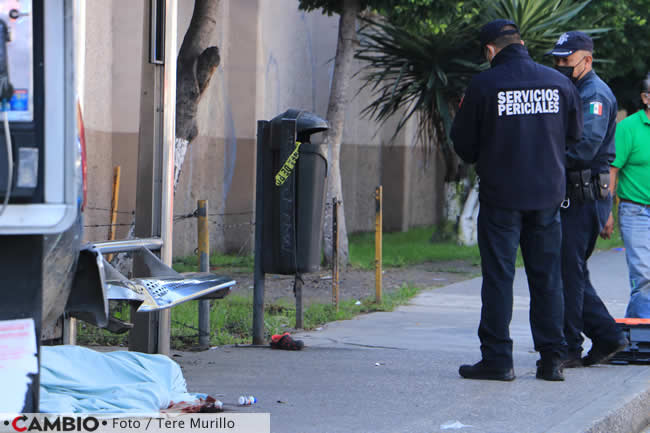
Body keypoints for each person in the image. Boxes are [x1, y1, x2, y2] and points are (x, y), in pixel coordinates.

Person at [450, 20, 583, 382]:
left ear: (490, 50)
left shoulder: (483, 85)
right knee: (547, 279)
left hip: (501, 198)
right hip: (547, 197)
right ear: (522, 42)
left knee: (498, 278)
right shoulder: (560, 83)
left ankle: (498, 360)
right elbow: (573, 136)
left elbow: (464, 145)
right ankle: (552, 360)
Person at [546, 31, 628, 367]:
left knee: (569, 274)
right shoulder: (575, 90)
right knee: (572, 273)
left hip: (583, 198)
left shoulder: (594, 95)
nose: (560, 66)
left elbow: (583, 149)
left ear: (587, 60)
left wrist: (542, 156)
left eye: (566, 60)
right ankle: (607, 337)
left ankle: (570, 347)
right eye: (557, 60)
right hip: (575, 196)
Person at [605, 73, 650, 318]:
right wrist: (606, 213)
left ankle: (631, 334)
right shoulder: (627, 128)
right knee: (644, 274)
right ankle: (644, 332)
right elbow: (612, 171)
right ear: (646, 98)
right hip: (636, 211)